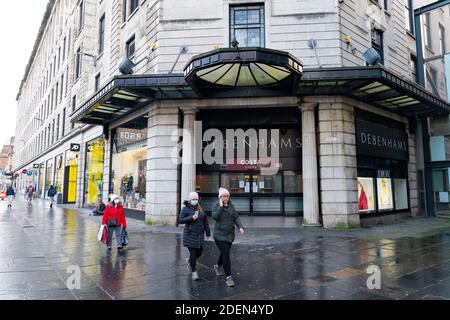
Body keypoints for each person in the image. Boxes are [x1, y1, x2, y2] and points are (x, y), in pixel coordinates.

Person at [212, 188, 245, 287]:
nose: (226, 198)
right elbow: (215, 217)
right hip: (219, 235)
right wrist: (221, 207)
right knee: (226, 254)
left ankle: (217, 266)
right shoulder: (216, 205)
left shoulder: (231, 205)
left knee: (224, 253)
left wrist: (240, 227)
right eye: (223, 196)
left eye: (227, 196)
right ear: (220, 197)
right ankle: (228, 277)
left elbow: (236, 217)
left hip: (230, 235)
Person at [179, 192, 211, 281]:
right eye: (193, 199)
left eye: (196, 199)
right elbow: (180, 220)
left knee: (200, 252)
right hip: (190, 235)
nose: (195, 201)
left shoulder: (200, 208)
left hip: (199, 236)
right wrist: (191, 218)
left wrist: (208, 232)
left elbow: (205, 222)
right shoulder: (185, 209)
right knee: (193, 254)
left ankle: (190, 261)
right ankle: (194, 273)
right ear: (190, 200)